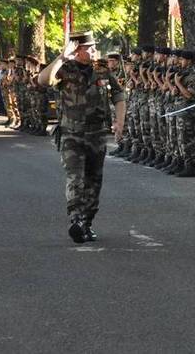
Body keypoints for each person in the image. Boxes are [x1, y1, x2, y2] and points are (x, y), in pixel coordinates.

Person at [38, 31, 125, 243]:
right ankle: (76, 219)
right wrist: (61, 57)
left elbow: (119, 95)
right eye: (90, 48)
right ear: (77, 50)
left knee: (94, 180)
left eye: (94, 47)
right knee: (75, 177)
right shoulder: (64, 69)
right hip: (71, 134)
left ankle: (86, 222)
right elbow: (44, 80)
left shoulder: (102, 70)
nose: (94, 51)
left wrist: (120, 122)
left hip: (97, 134)